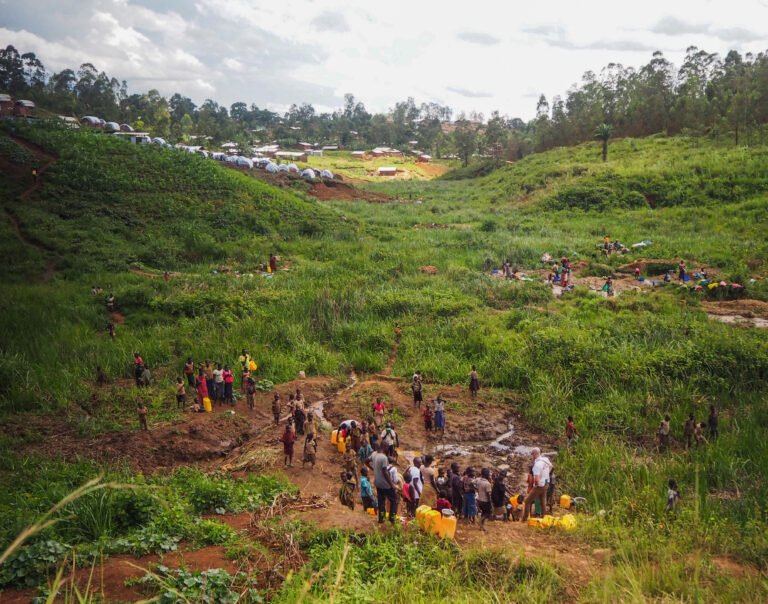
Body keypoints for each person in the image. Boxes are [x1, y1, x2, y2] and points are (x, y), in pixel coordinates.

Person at [520, 448, 552, 522]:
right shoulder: (545, 459)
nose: (531, 455)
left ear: (535, 454)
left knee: (527, 501)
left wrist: (536, 485)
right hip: (546, 483)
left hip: (540, 486)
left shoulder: (537, 465)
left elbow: (536, 479)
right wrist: (546, 475)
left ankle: (524, 520)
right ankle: (544, 517)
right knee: (543, 500)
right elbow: (551, 466)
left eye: (532, 454)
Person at [369, 442, 398, 524]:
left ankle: (381, 519)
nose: (388, 449)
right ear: (384, 447)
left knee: (381, 501)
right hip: (385, 484)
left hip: (378, 483)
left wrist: (373, 469)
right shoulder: (384, 458)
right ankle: (392, 519)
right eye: (388, 447)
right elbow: (385, 472)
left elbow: (366, 461)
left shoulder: (374, 454)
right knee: (394, 500)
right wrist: (392, 485)